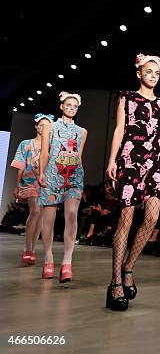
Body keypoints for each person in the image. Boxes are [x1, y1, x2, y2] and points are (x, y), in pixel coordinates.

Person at [105, 53, 160, 311]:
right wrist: (112, 161)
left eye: (156, 72)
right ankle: (115, 283)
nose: (152, 76)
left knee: (153, 218)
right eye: (148, 71)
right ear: (138, 73)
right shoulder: (127, 98)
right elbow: (120, 130)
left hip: (154, 165)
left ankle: (129, 267)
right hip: (129, 161)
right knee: (126, 219)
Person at [38, 93, 88, 283]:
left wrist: (78, 173)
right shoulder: (50, 127)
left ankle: (67, 262)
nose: (71, 108)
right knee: (48, 219)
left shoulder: (82, 131)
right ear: (61, 106)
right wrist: (41, 173)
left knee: (72, 215)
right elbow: (45, 152)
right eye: (68, 105)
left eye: (75, 106)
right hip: (52, 174)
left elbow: (78, 156)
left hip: (74, 175)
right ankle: (48, 259)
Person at [11, 113, 55, 265]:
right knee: (35, 211)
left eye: (47, 125)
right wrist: (16, 185)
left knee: (41, 216)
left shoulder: (52, 145)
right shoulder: (26, 144)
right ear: (36, 126)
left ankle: (32, 250)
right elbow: (20, 165)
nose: (43, 128)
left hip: (46, 183)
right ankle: (27, 249)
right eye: (41, 125)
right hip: (29, 181)